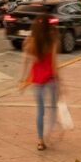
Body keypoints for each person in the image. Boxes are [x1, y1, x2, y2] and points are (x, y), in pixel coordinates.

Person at [19, 14, 59, 151]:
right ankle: (48, 133)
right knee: (53, 108)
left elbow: (25, 61)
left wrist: (23, 79)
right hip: (51, 79)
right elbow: (54, 64)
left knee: (40, 111)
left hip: (37, 80)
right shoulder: (51, 41)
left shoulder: (30, 41)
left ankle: (41, 140)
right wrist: (61, 83)